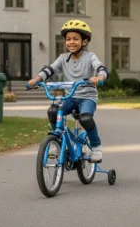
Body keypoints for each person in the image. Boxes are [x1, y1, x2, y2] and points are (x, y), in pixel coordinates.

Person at [28, 20, 109, 162]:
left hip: (87, 98)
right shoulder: (63, 58)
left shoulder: (90, 57)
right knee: (52, 111)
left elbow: (100, 67)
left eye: (75, 39)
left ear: (84, 42)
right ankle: (56, 140)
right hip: (70, 97)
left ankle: (96, 147)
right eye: (68, 39)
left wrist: (99, 77)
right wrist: (36, 80)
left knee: (85, 118)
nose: (71, 42)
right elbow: (50, 69)